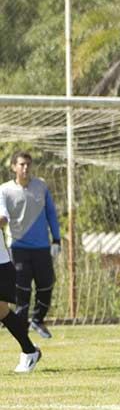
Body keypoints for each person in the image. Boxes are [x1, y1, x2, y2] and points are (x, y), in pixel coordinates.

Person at [0, 151, 62, 339]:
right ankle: (22, 329)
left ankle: (38, 320)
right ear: (13, 167)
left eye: (28, 164)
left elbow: (51, 213)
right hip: (17, 247)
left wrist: (56, 239)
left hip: (42, 246)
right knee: (22, 290)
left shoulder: (41, 186)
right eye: (21, 164)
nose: (25, 168)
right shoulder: (5, 190)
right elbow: (3, 217)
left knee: (46, 284)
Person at [0, 198, 42, 373]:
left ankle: (30, 351)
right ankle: (30, 350)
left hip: (0, 265)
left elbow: (3, 219)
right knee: (2, 311)